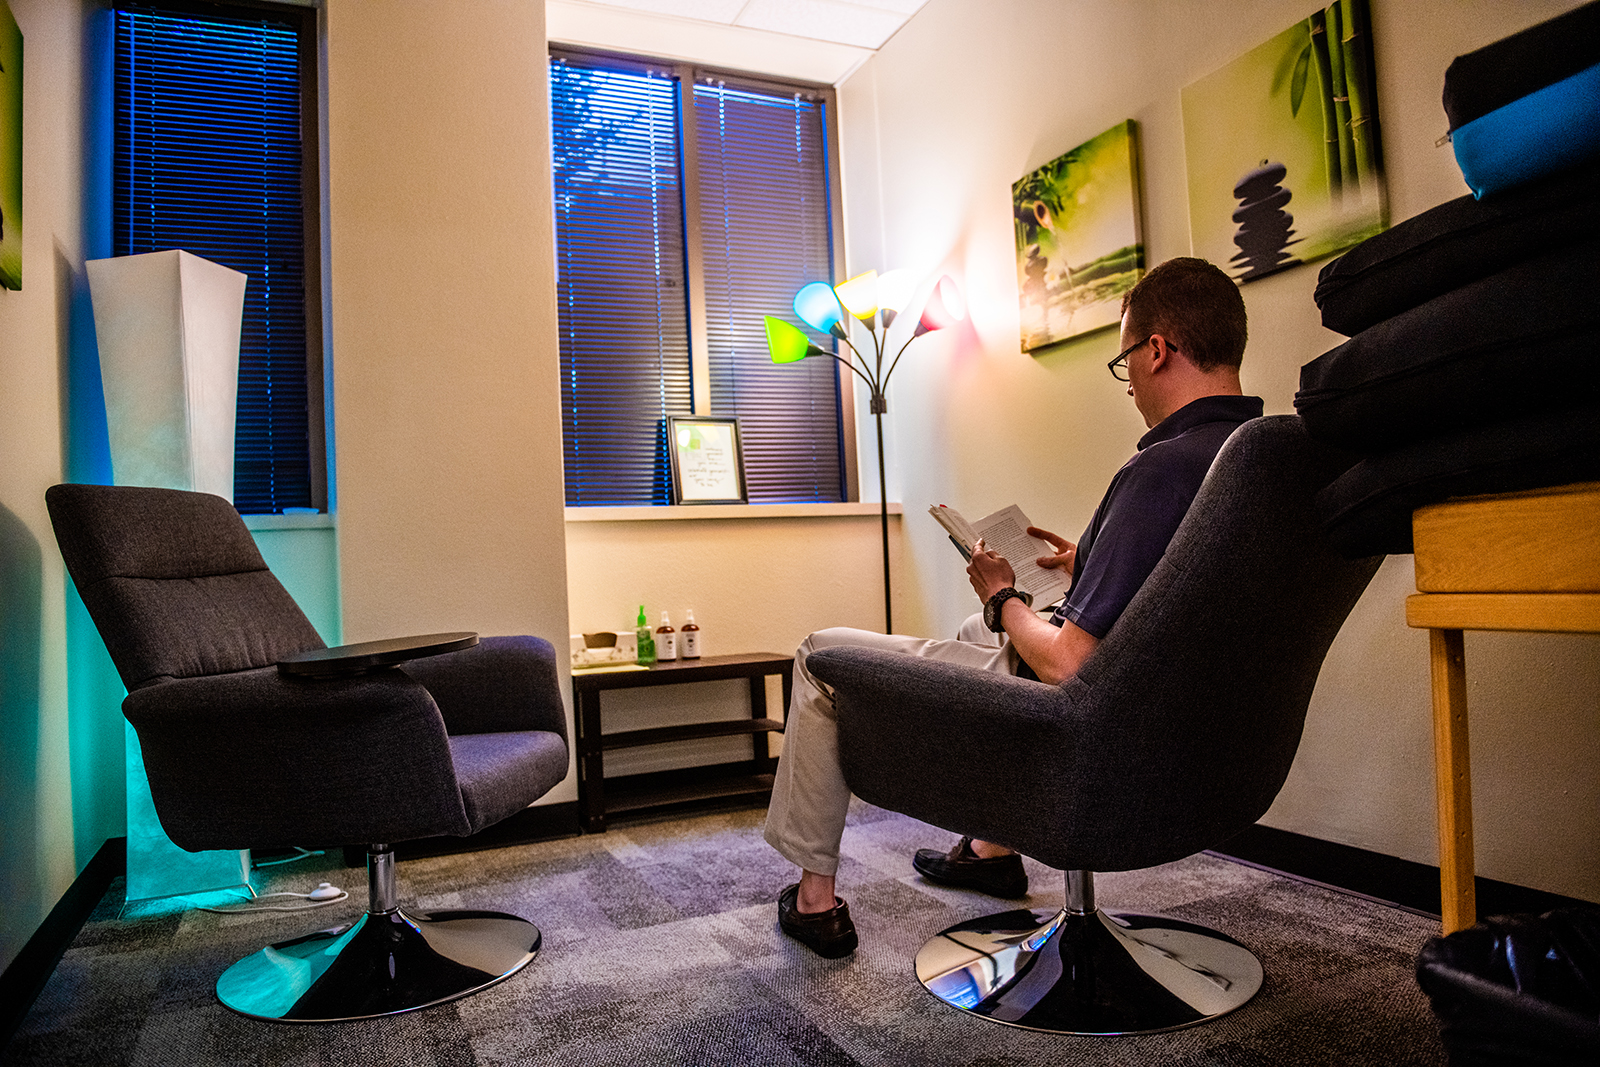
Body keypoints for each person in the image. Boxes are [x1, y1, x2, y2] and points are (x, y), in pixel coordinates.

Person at [763, 257, 1263, 958]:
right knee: (977, 631)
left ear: (1157, 350)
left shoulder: (1161, 470)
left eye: (1125, 362)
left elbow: (1069, 662)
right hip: (1197, 736)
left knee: (821, 655)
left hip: (1087, 732)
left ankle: (815, 900)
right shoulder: (1252, 458)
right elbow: (1181, 590)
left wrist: (1003, 594)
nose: (1129, 387)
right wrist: (1088, 561)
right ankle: (993, 846)